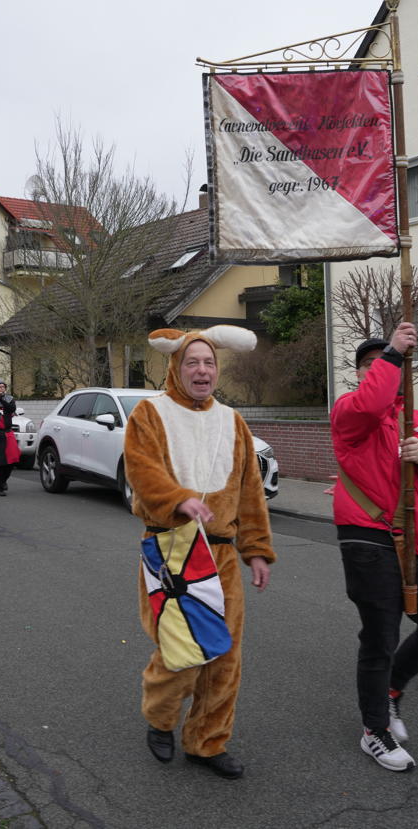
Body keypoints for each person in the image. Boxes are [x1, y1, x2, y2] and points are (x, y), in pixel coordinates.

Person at [123, 325, 275, 781]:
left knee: (224, 656)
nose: (202, 370)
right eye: (193, 362)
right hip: (172, 550)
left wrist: (258, 551)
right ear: (176, 367)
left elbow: (251, 492)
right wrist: (177, 498)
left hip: (223, 553)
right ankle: (161, 718)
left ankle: (207, 741)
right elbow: (141, 469)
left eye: (209, 362)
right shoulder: (149, 414)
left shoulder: (233, 421)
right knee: (183, 650)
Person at [332, 322, 418, 773]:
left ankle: (390, 690)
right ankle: (375, 731)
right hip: (370, 538)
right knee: (381, 637)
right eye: (368, 365)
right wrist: (391, 352)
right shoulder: (351, 410)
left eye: (384, 363)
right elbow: (372, 400)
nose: (377, 370)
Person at [0, 380, 20, 497]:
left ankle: (3, 480)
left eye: (3, 387)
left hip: (7, 433)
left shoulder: (9, 398)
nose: (1, 389)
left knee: (12, 460)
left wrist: (1, 398)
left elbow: (11, 409)